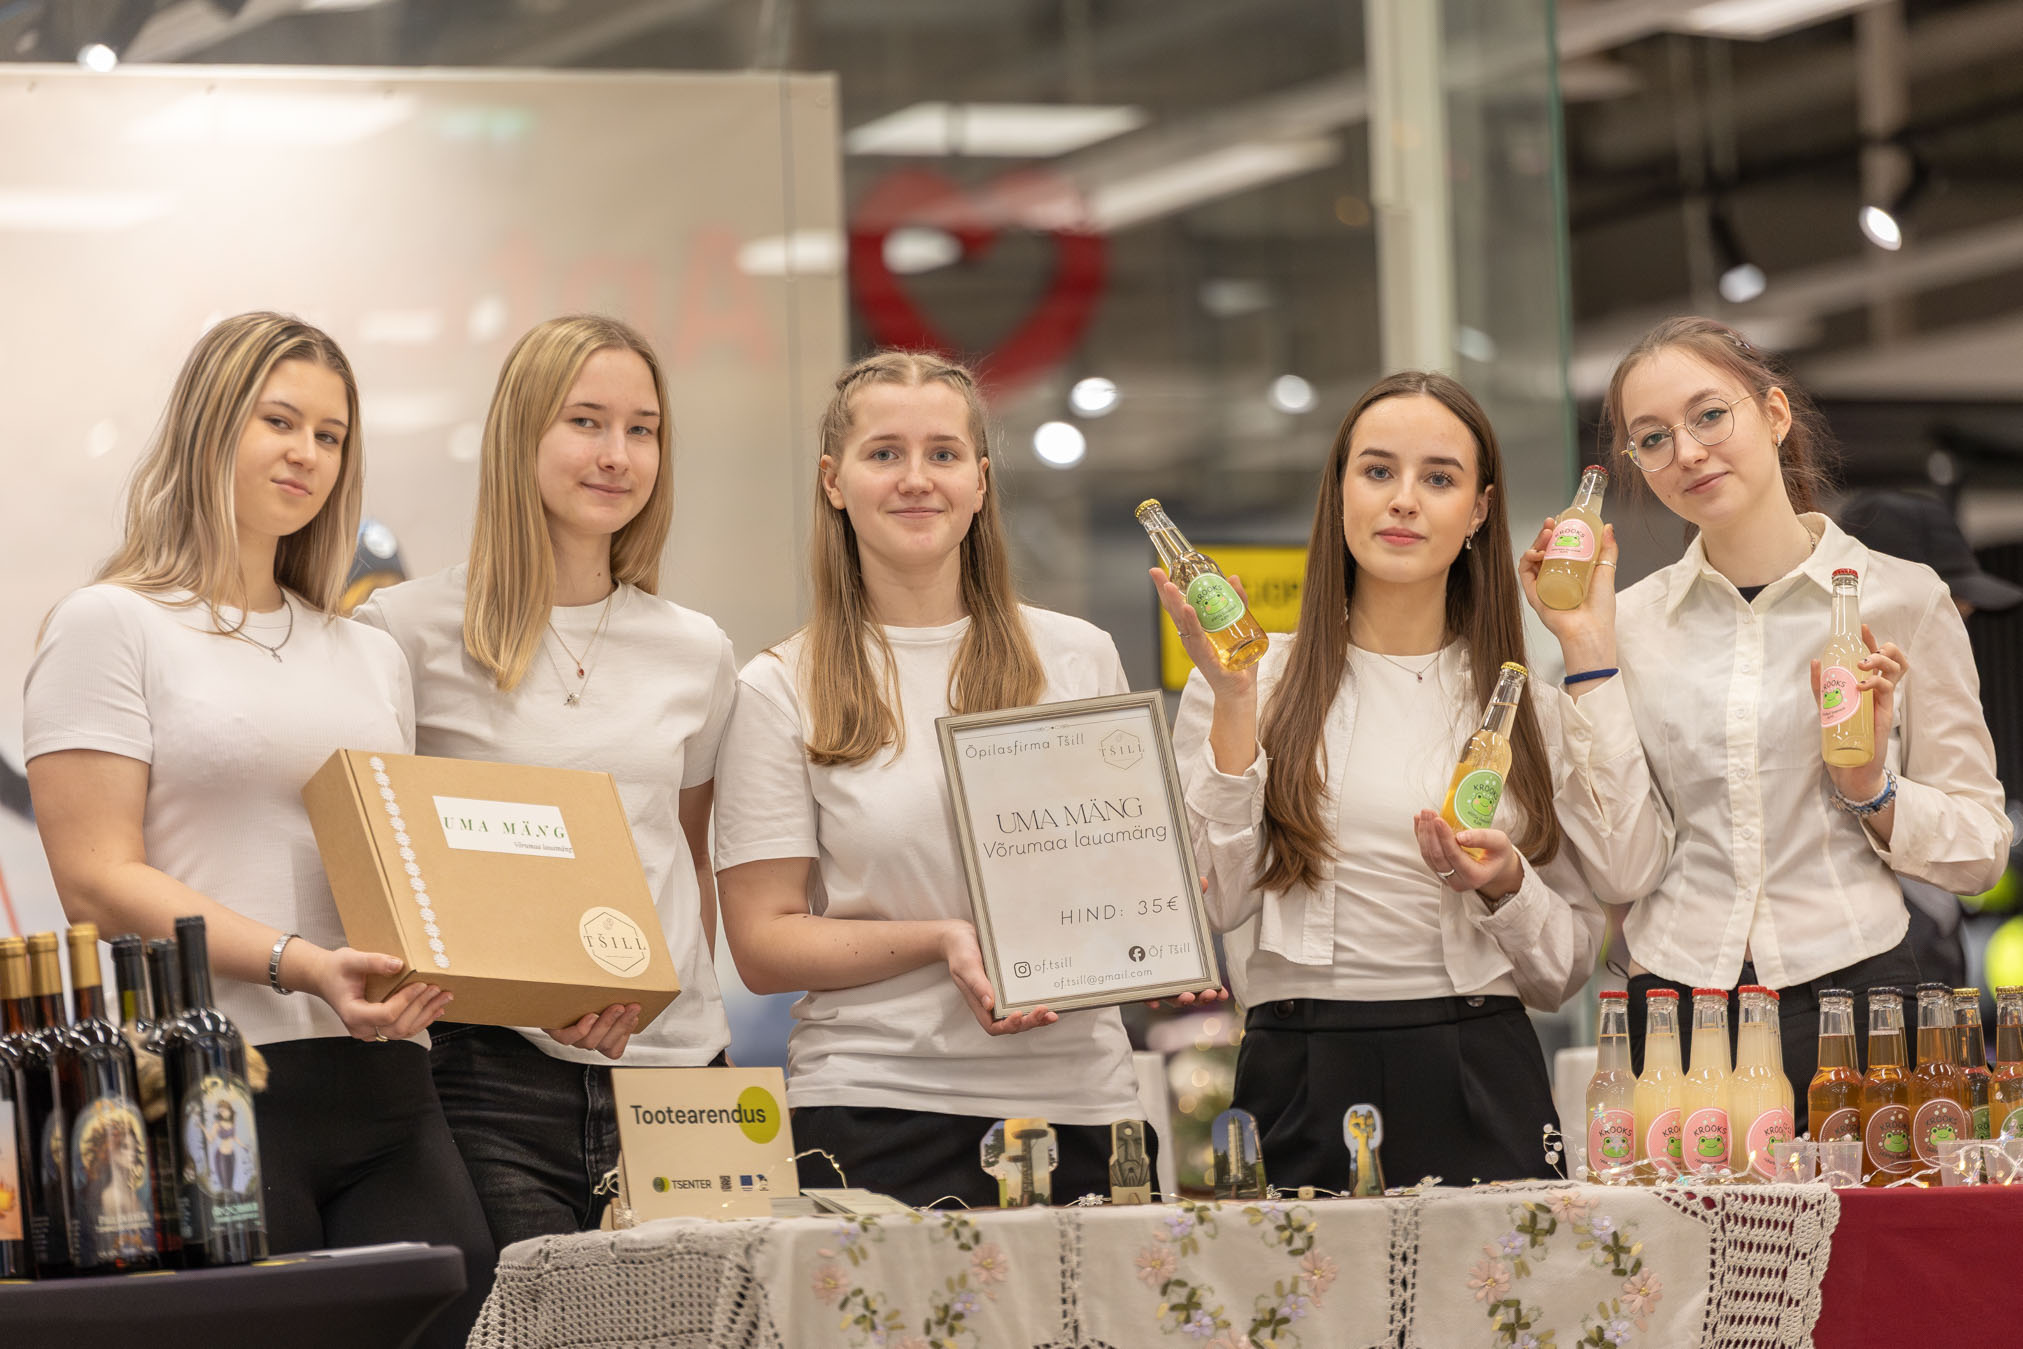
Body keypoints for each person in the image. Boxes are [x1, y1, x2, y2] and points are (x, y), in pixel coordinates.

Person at [24, 313, 492, 1346]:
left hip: (386, 1079)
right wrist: (299, 961)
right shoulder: (112, 623)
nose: (307, 454)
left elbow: (397, 866)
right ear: (209, 428)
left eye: (331, 435)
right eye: (279, 420)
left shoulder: (367, 654)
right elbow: (98, 881)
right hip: (213, 1081)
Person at [1526, 316, 2012, 1126]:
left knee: (1877, 1247)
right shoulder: (1626, 627)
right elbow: (1618, 869)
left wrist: (1870, 788)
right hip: (1677, 1010)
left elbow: (1978, 847)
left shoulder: (1904, 597)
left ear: (1774, 414)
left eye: (1708, 415)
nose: (1685, 451)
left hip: (1858, 1002)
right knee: (1685, 1254)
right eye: (1651, 439)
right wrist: (1584, 648)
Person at [713, 350, 1155, 1207]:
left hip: (1080, 1102)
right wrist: (943, 938)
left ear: (981, 482)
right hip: (872, 1105)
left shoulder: (1075, 657)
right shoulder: (776, 687)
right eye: (884, 453)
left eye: (943, 454)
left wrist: (1158, 925)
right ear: (833, 481)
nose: (916, 479)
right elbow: (763, 945)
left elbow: (1125, 878)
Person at [1166, 371, 1606, 1189]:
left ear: (1477, 509)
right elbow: (1212, 906)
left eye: (1437, 478)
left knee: (1501, 1318)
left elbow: (1560, 972)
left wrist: (1508, 883)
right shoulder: (1249, 681)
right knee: (1299, 1317)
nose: (1403, 499)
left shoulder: (1529, 710)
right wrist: (1231, 703)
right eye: (1377, 471)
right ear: (1338, 493)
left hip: (1480, 1063)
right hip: (1295, 1067)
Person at [355, 314, 736, 1247]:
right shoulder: (405, 632)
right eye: (585, 422)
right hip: (488, 1074)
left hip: (679, 1069)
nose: (617, 455)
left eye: (641, 429)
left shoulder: (697, 649)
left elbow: (683, 854)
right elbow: (389, 869)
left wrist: (647, 995)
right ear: (520, 433)